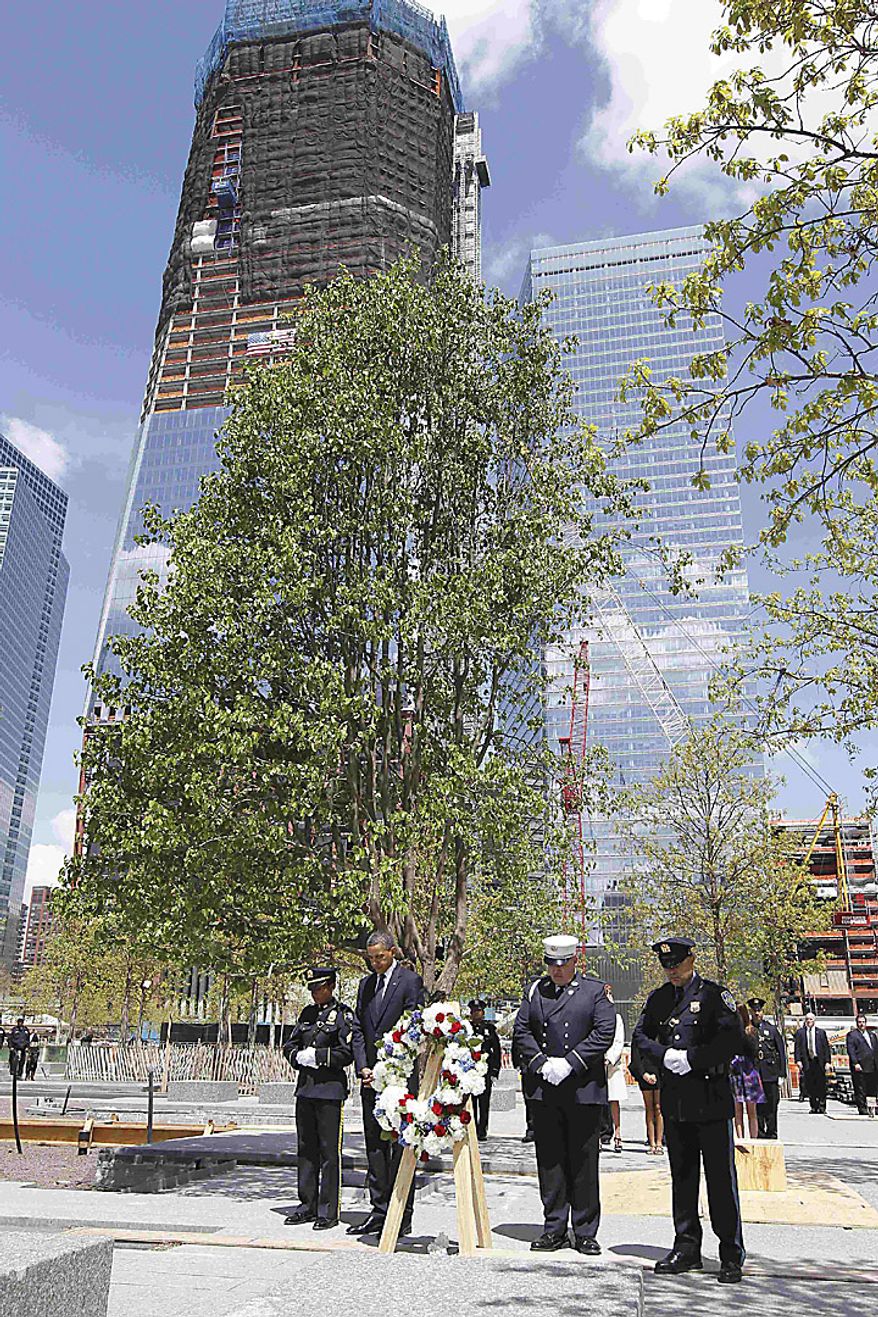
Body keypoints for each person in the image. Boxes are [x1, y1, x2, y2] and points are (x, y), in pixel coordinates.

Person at [633, 937, 746, 1285]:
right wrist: (664, 1056)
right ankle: (686, 1247)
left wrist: (692, 1059)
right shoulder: (659, 999)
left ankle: (730, 1252)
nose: (673, 972)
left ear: (691, 960)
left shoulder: (714, 996)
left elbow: (731, 1040)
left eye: (678, 965)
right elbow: (640, 1037)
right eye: (667, 966)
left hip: (710, 1100)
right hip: (677, 1103)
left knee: (720, 1182)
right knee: (683, 1180)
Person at [512, 933, 615, 1255]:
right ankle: (554, 1228)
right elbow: (522, 1031)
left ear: (575, 962)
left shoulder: (595, 992)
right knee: (551, 1162)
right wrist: (541, 1063)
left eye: (563, 964)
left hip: (583, 1089)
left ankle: (585, 1230)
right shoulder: (535, 991)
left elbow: (604, 1032)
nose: (556, 970)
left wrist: (571, 1063)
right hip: (546, 1090)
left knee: (584, 1163)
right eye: (551, 964)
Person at [349, 931, 424, 1237]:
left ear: (392, 952)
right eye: (371, 958)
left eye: (380, 956)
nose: (376, 962)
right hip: (371, 1079)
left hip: (399, 1077)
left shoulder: (409, 981)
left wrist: (390, 1065)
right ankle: (379, 1209)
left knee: (400, 1147)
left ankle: (401, 1212)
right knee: (375, 1147)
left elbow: (414, 1026)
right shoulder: (366, 985)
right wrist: (363, 1067)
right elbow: (358, 1028)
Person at [282, 967, 353, 1230]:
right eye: (312, 989)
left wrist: (319, 1057)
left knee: (328, 1153)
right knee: (306, 1149)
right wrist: (297, 1056)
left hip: (329, 1090)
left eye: (319, 988)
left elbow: (346, 1052)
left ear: (331, 986)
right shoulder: (307, 1014)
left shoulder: (343, 1015)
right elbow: (290, 1044)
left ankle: (328, 1210)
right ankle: (306, 1205)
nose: (315, 993)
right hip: (306, 1089)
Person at [749, 998, 787, 1139]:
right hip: (754, 1073)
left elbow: (781, 1051)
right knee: (757, 1106)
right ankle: (759, 1132)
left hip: (770, 1073)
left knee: (771, 1105)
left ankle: (772, 1131)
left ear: (763, 1012)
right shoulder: (748, 1029)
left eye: (759, 1011)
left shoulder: (771, 1029)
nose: (757, 1013)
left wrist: (782, 1074)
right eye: (754, 1011)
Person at [468, 1000, 502, 1141]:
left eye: (479, 1011)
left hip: (485, 1070)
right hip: (470, 1071)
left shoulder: (489, 1029)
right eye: (474, 1011)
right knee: (471, 1102)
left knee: (484, 1101)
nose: (476, 1014)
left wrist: (495, 1070)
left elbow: (496, 1050)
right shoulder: (467, 1028)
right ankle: (472, 1127)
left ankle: (482, 1129)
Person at [730, 1004, 764, 1140]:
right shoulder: (731, 1031)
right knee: (737, 1110)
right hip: (735, 1071)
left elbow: (753, 1050)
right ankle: (740, 1138)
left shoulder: (751, 1031)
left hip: (749, 1072)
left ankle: (753, 1139)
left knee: (752, 1110)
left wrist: (744, 1034)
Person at [630, 1033, 664, 1155]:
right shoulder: (639, 1036)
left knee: (658, 1107)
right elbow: (635, 1058)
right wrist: (643, 1074)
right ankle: (652, 1143)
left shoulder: (661, 1032)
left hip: (659, 1074)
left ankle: (659, 1142)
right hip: (645, 1073)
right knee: (649, 1107)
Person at [604, 984, 627, 1154]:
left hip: (612, 1065)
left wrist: (610, 1058)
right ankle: (598, 1136)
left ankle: (618, 1134)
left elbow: (619, 1041)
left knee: (614, 1100)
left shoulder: (616, 1018)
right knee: (595, 1102)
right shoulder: (594, 1015)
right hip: (596, 1063)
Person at [794, 1012, 832, 1114]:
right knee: (810, 1085)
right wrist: (798, 1060)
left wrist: (828, 1062)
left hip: (819, 1061)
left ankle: (822, 1106)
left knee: (821, 1085)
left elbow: (826, 1048)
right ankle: (814, 1106)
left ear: (814, 1020)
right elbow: (797, 1047)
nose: (809, 1021)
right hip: (807, 1061)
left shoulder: (821, 1033)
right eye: (807, 1019)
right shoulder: (800, 1033)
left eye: (811, 1019)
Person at [846, 1012, 878, 1117]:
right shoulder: (852, 1035)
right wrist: (855, 1063)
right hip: (860, 1066)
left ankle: (873, 1107)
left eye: (863, 1022)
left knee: (872, 1088)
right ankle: (862, 1108)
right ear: (856, 1023)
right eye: (859, 1022)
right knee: (860, 1088)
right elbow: (851, 1051)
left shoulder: (872, 1035)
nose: (861, 1024)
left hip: (872, 1066)